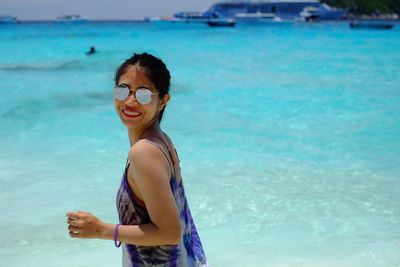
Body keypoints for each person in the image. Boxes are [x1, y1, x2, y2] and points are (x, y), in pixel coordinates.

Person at [66, 52, 208, 267]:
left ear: (163, 101)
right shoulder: (162, 141)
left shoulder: (144, 152)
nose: (130, 101)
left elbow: (169, 232)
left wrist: (100, 229)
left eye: (143, 94)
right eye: (123, 90)